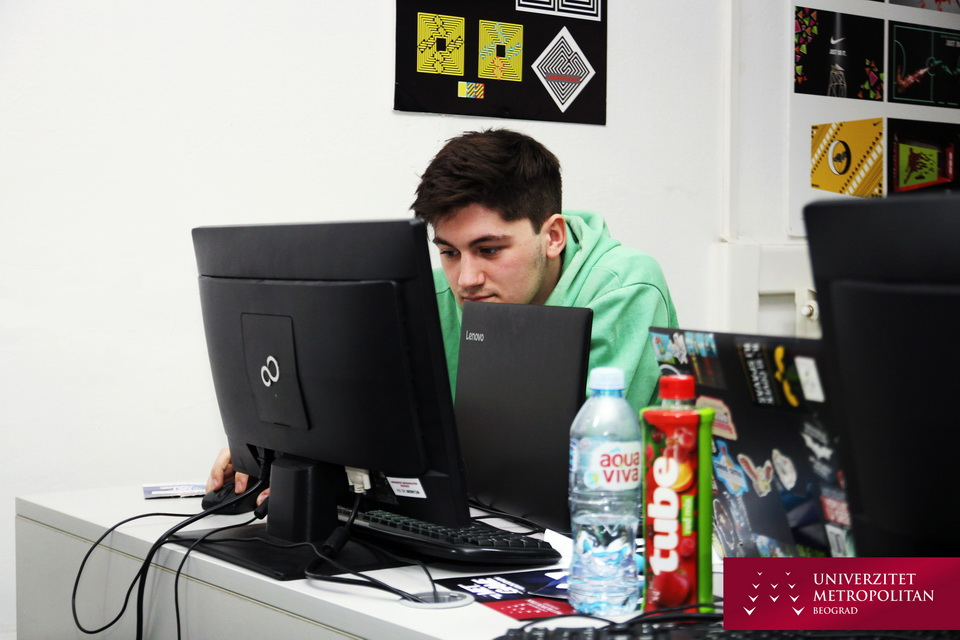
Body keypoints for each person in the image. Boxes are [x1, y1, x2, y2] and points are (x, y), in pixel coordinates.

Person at [207, 128, 678, 498]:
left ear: (552, 236)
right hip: (482, 517)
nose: (466, 279)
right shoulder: (428, 294)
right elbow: (368, 413)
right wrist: (284, 457)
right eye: (449, 252)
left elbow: (576, 460)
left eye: (489, 249)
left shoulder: (624, 287)